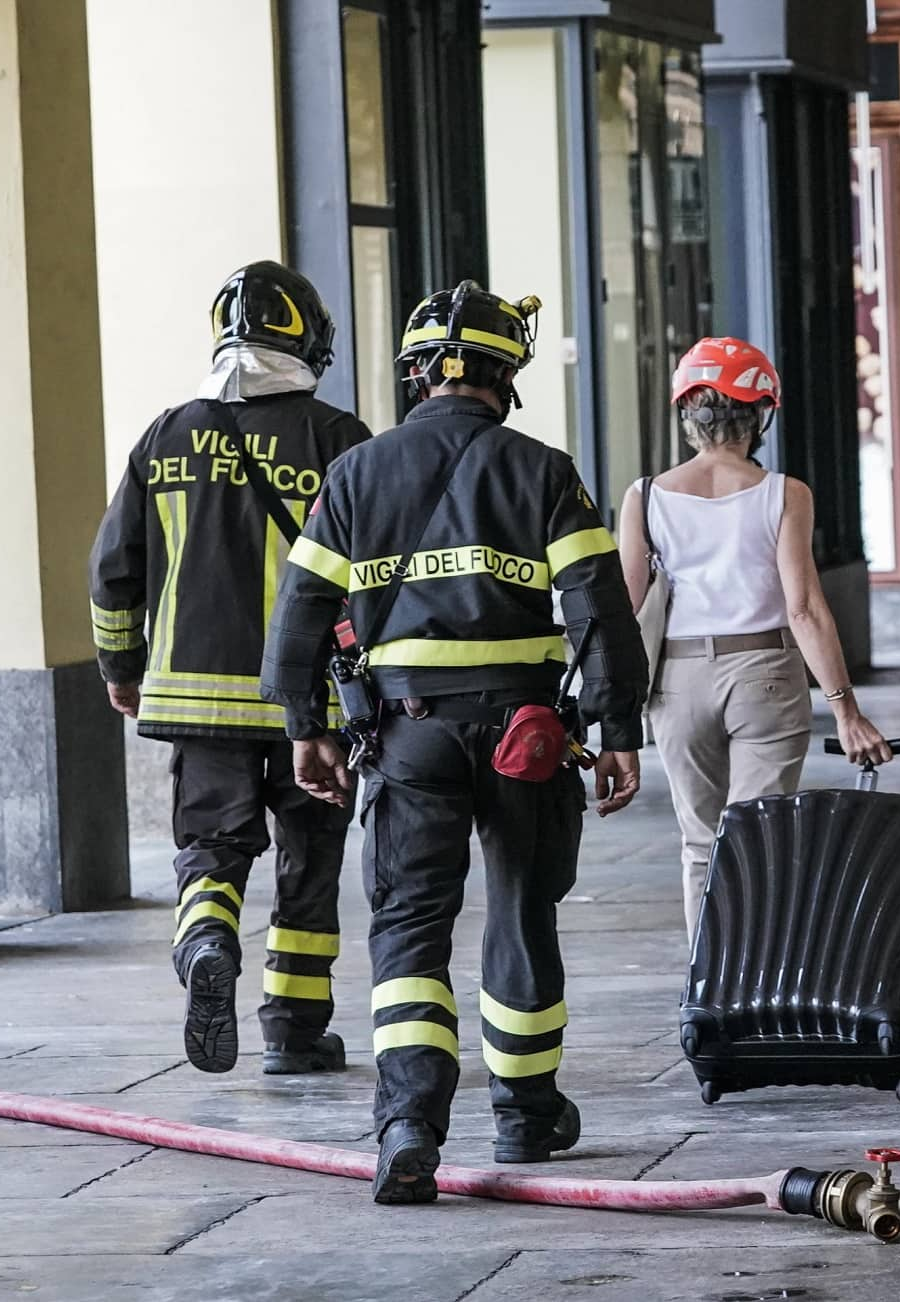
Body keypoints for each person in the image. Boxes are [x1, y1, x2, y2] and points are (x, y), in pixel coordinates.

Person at [260, 281, 647, 1204]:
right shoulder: (545, 471)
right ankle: (524, 1111)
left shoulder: (355, 475)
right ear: (506, 373)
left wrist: (304, 728)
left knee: (407, 925)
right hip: (527, 737)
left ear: (418, 372)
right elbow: (598, 606)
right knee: (521, 909)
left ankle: (408, 1125)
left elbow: (300, 616)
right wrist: (620, 727)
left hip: (407, 738)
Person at [89, 261, 370, 1078]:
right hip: (306, 704)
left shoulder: (167, 433)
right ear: (309, 341)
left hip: (193, 694)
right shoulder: (336, 438)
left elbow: (114, 567)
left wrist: (121, 663)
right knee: (309, 852)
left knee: (211, 843)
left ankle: (207, 934)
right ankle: (293, 1025)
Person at [615, 338, 894, 944]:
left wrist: (612, 713)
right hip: (765, 672)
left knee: (700, 842)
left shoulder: (645, 496)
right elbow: (804, 607)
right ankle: (756, 982)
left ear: (687, 412)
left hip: (679, 682)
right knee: (760, 834)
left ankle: (708, 983)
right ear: (761, 412)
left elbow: (625, 608)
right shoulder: (784, 493)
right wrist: (845, 709)